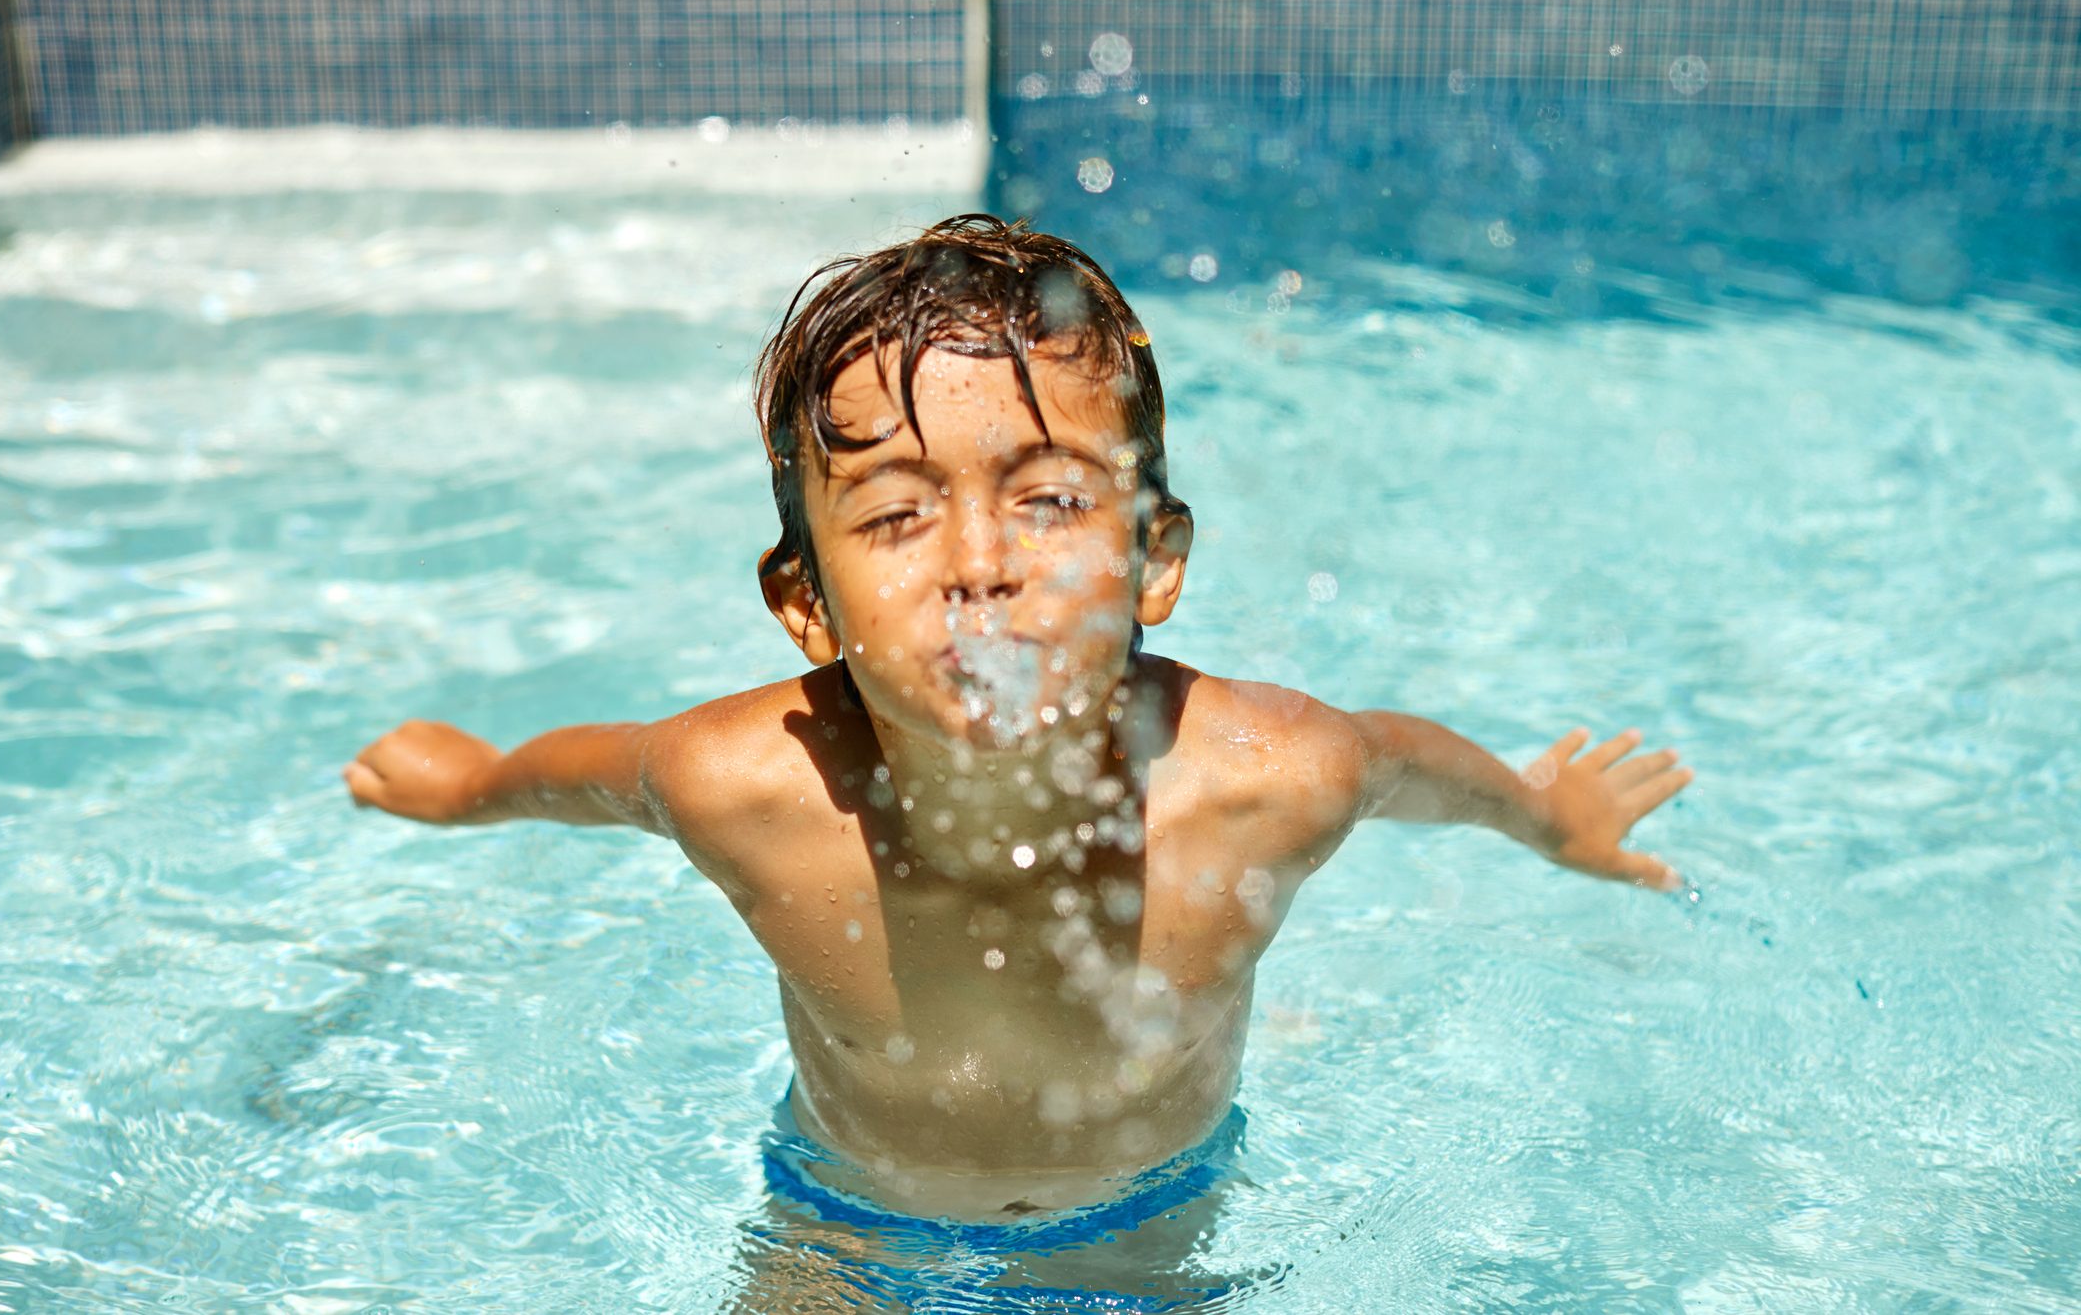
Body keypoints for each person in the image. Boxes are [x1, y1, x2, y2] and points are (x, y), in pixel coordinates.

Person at [343, 214, 1693, 1301]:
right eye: (896, 517)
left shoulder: (1260, 779)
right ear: (806, 604)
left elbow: (1402, 762)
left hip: (1144, 1233)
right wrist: (470, 785)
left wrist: (1542, 813)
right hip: (847, 1229)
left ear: (1152, 558)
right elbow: (598, 773)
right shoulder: (748, 786)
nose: (979, 567)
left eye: (1047, 499)